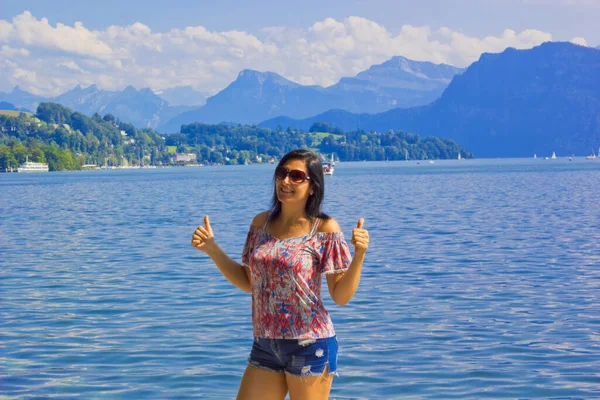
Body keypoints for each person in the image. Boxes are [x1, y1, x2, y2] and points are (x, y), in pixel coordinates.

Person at [191, 149, 369, 400]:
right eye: (281, 173)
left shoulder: (325, 229)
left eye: (296, 176)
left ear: (313, 187)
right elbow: (248, 282)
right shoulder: (260, 224)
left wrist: (359, 254)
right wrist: (212, 249)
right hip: (265, 344)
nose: (285, 181)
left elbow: (340, 296)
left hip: (310, 343)